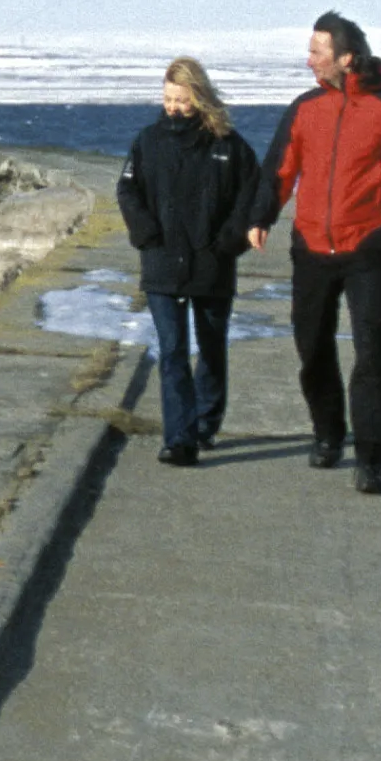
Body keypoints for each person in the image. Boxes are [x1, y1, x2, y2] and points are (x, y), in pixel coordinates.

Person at [244, 11, 381, 492]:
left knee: (370, 353)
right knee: (312, 347)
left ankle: (372, 459)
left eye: (317, 51)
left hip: (368, 246)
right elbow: (279, 168)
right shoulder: (304, 108)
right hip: (311, 245)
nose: (308, 59)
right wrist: (261, 215)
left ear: (346, 58)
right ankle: (328, 433)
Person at [114, 57, 262, 465]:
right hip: (162, 263)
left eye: (181, 99)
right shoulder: (148, 142)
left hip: (212, 264)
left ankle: (205, 422)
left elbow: (251, 197)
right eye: (167, 99)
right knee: (172, 350)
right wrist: (146, 235)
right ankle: (179, 438)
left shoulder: (228, 146)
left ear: (199, 98)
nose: (173, 107)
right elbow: (128, 193)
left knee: (212, 348)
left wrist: (228, 243)